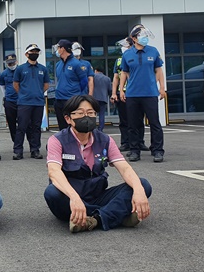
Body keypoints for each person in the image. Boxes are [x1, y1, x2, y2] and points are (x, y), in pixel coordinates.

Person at [43, 95, 152, 232]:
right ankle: (116, 214)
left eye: (90, 113)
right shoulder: (57, 141)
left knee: (143, 185)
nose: (86, 117)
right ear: (68, 119)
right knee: (52, 193)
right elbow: (54, 172)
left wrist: (138, 190)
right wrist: (75, 198)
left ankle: (95, 219)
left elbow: (124, 168)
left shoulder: (105, 140)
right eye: (81, 113)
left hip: (98, 196)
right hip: (70, 199)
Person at [119, 25, 166, 162]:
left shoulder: (153, 51)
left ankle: (157, 150)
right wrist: (121, 89)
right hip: (133, 94)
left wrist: (162, 88)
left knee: (155, 123)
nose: (144, 38)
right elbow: (124, 73)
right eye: (141, 35)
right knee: (133, 124)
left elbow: (159, 70)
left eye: (145, 35)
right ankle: (134, 151)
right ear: (133, 38)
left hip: (150, 93)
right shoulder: (127, 54)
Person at [12, 44, 50, 160]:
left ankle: (35, 150)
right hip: (24, 102)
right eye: (32, 51)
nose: (35, 53)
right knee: (22, 127)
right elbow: (16, 84)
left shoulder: (43, 69)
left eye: (37, 51)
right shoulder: (20, 69)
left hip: (38, 102)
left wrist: (37, 92)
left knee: (36, 127)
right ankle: (18, 151)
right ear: (26, 54)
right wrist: (24, 94)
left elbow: (46, 85)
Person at [110, 39, 147, 152]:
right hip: (123, 92)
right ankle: (125, 142)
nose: (124, 48)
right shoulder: (120, 60)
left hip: (137, 92)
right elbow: (116, 77)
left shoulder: (138, 57)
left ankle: (140, 142)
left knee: (139, 119)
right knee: (124, 120)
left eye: (126, 45)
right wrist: (114, 93)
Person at [53, 39, 88, 130]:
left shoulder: (76, 64)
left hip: (71, 99)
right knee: (62, 126)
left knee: (73, 125)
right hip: (59, 99)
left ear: (63, 49)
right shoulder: (58, 64)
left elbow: (84, 81)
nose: (57, 50)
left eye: (58, 48)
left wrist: (75, 91)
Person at [0, 53, 21, 145]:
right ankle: (16, 142)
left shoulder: (21, 71)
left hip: (22, 101)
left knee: (24, 123)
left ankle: (26, 142)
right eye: (9, 64)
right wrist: (7, 96)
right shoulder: (4, 73)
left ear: (16, 61)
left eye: (12, 63)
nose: (11, 65)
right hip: (9, 101)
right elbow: (2, 86)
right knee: (11, 123)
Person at [92, 66, 112, 132]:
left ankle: (93, 128)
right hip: (103, 98)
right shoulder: (107, 79)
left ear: (96, 70)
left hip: (93, 98)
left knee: (93, 113)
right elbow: (110, 90)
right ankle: (100, 129)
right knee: (102, 114)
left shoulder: (92, 77)